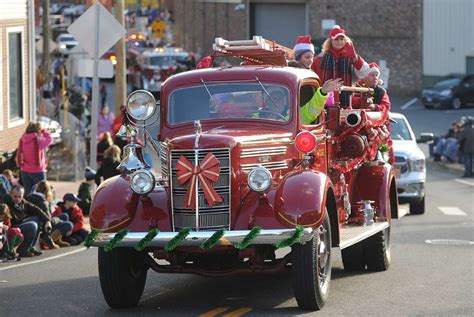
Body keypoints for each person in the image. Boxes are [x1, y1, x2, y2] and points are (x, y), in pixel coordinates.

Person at [312, 25, 370, 107]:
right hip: (324, 102)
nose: (339, 42)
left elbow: (365, 73)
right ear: (330, 41)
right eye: (336, 39)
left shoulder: (351, 58)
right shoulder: (319, 59)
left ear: (346, 40)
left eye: (342, 39)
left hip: (346, 103)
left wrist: (354, 58)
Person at [3, 185, 51, 257]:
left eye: (20, 197)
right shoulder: (5, 203)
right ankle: (23, 250)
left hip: (19, 224)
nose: (17, 199)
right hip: (11, 228)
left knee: (38, 218)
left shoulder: (23, 202)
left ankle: (31, 247)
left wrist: (47, 221)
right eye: (15, 196)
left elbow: (36, 209)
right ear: (10, 194)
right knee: (32, 225)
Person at [16, 121, 53, 194]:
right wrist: (44, 131)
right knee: (42, 192)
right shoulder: (38, 140)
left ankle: (28, 205)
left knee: (28, 193)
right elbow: (49, 139)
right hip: (37, 170)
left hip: (25, 170)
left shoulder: (23, 139)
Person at [25, 180, 59, 250]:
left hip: (30, 220)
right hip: (40, 223)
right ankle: (48, 240)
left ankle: (57, 239)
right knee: (62, 220)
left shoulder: (28, 197)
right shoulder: (43, 202)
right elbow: (47, 219)